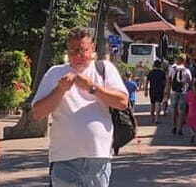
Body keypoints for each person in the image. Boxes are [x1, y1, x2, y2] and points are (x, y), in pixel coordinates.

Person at [32, 27, 128, 187]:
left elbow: (122, 102)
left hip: (98, 157)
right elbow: (37, 113)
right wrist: (60, 89)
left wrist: (92, 87)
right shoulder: (54, 73)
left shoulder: (104, 69)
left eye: (83, 50)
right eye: (73, 51)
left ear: (92, 49)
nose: (78, 56)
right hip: (63, 158)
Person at [166, 53, 193, 136]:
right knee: (182, 111)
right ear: (184, 61)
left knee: (173, 109)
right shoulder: (187, 70)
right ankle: (180, 128)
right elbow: (190, 81)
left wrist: (167, 90)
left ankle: (174, 127)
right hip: (183, 92)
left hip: (173, 91)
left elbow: (169, 80)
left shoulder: (172, 69)